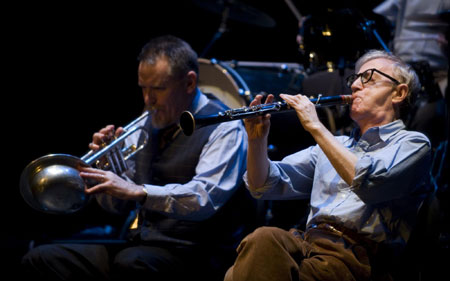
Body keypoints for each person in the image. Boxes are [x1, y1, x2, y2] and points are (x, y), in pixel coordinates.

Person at [21, 35, 249, 281]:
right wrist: (107, 173)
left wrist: (138, 191)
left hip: (196, 252)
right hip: (140, 245)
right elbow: (118, 207)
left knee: (131, 263)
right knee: (42, 258)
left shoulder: (224, 127)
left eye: (159, 89)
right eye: (143, 88)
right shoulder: (148, 120)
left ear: (189, 83)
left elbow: (203, 198)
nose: (148, 99)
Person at [224, 50, 431, 281]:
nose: (354, 87)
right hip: (308, 245)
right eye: (355, 79)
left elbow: (368, 184)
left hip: (357, 260)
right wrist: (257, 139)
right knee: (262, 239)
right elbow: (262, 185)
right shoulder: (337, 145)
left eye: (369, 79)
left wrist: (316, 126)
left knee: (240, 272)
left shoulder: (413, 144)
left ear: (399, 93)